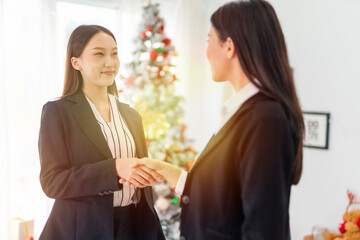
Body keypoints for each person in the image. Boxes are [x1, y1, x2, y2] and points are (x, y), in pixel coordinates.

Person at [122, 0, 304, 239]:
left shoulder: (265, 119)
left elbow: (263, 227)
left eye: (209, 40)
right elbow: (225, 198)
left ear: (229, 47)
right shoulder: (243, 111)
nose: (206, 51)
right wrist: (166, 170)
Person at [38, 25, 165, 240]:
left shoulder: (132, 115)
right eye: (99, 54)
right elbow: (52, 182)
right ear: (76, 62)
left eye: (114, 53)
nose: (110, 62)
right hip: (85, 230)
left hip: (135, 227)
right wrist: (114, 168)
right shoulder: (58, 112)